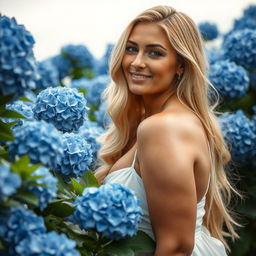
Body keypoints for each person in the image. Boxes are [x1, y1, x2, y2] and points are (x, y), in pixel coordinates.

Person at [95, 5, 240, 255]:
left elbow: (175, 248)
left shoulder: (163, 128)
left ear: (180, 65)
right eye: (132, 49)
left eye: (155, 53)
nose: (137, 62)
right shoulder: (160, 121)